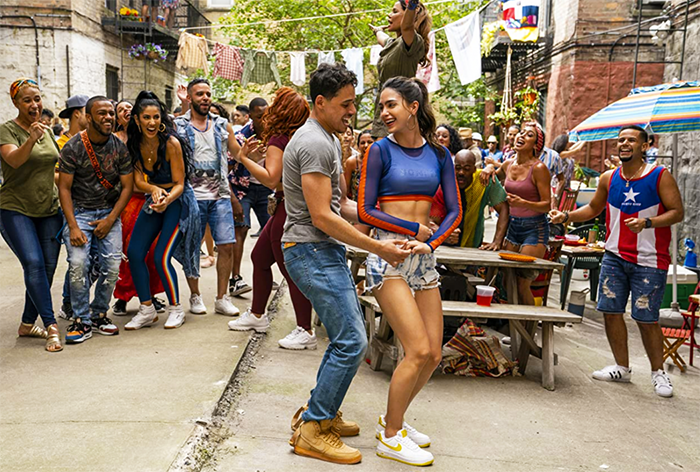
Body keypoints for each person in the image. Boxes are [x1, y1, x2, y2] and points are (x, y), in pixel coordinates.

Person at [284, 64, 410, 465]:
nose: (353, 111)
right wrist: (379, 247)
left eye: (354, 102)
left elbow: (342, 206)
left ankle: (320, 412)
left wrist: (400, 226)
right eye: (346, 104)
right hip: (311, 250)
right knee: (353, 341)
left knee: (345, 337)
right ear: (320, 102)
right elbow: (322, 216)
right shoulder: (315, 142)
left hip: (320, 250)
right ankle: (313, 430)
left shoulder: (326, 138)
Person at [358, 76, 460, 467]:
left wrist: (430, 244)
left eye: (392, 105)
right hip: (388, 254)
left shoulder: (439, 154)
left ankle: (394, 420)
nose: (384, 113)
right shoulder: (379, 150)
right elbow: (366, 210)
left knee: (433, 353)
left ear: (413, 107)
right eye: (382, 106)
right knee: (416, 349)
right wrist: (413, 229)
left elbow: (454, 212)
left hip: (423, 257)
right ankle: (390, 437)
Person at [550, 125, 683, 398]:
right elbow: (593, 208)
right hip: (613, 256)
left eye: (631, 140)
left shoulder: (660, 175)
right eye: (621, 139)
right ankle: (622, 367)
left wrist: (648, 222)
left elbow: (677, 212)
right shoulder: (608, 178)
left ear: (644, 146)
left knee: (646, 318)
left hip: (650, 260)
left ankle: (658, 372)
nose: (624, 143)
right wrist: (567, 216)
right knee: (610, 312)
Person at [226, 87, 317, 350]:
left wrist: (245, 158)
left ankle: (305, 329)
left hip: (286, 206)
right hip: (289, 205)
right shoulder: (299, 136)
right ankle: (257, 314)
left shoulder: (279, 138)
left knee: (289, 270)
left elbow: (271, 178)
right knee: (259, 257)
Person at [57, 96, 134, 344]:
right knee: (78, 264)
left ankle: (99, 313)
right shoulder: (73, 147)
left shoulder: (119, 147)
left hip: (108, 213)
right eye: (102, 113)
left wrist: (111, 219)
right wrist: (72, 226)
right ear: (89, 118)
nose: (108, 117)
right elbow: (64, 188)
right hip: (79, 213)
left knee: (111, 267)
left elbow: (127, 187)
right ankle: (81, 319)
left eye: (111, 113)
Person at [125, 91, 201, 330]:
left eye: (156, 117)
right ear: (137, 120)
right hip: (156, 199)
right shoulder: (135, 143)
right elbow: (139, 181)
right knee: (134, 252)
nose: (151, 122)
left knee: (161, 256)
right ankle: (147, 309)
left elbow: (180, 184)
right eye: (146, 117)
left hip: (178, 202)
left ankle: (176, 309)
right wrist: (154, 189)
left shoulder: (171, 143)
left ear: (161, 119)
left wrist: (165, 198)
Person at [0, 78, 63, 352]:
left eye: (37, 99)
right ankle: (51, 326)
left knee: (46, 269)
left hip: (49, 208)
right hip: (15, 208)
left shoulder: (46, 131)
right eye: (27, 100)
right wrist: (31, 139)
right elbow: (14, 160)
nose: (34, 105)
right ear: (16, 103)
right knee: (34, 264)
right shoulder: (6, 130)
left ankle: (27, 324)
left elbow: (54, 170)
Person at [174, 78, 240, 316]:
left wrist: (249, 155)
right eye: (199, 94)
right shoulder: (179, 125)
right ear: (190, 98)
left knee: (226, 245)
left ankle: (222, 299)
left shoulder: (222, 124)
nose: (205, 98)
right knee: (192, 247)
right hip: (191, 197)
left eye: (208, 94)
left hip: (219, 195)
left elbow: (237, 153)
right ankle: (195, 295)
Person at [111, 98, 167, 317]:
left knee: (152, 251)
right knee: (128, 252)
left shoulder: (149, 137)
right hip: (128, 200)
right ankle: (122, 297)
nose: (125, 110)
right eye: (120, 109)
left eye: (129, 107)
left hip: (151, 198)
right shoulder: (115, 139)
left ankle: (150, 295)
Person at [492, 122, 551, 305]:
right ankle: (511, 322)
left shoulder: (539, 168)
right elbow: (493, 177)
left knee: (521, 283)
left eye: (529, 135)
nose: (522, 136)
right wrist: (487, 169)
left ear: (536, 146)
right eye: (521, 133)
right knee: (506, 280)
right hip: (513, 227)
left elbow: (547, 205)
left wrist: (523, 203)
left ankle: (528, 323)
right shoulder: (508, 164)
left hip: (534, 229)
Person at [370, 0, 432, 139]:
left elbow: (407, 27)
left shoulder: (412, 43)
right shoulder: (392, 44)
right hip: (382, 114)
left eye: (395, 11)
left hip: (398, 115)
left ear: (408, 16)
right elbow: (382, 38)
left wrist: (412, 5)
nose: (389, 15)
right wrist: (377, 30)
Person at [229, 97, 271, 297]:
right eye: (260, 116)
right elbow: (228, 168)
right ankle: (235, 279)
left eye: (267, 115)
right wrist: (233, 199)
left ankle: (265, 276)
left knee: (272, 231)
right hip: (242, 189)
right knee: (241, 228)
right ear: (251, 116)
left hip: (265, 189)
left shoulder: (275, 135)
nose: (265, 120)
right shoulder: (241, 137)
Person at [431, 149, 509, 249]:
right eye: (458, 168)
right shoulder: (443, 183)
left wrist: (497, 241)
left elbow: (503, 208)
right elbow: (428, 220)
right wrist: (443, 235)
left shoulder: (484, 180)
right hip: (442, 247)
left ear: (474, 169)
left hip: (472, 246)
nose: (461, 172)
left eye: (467, 169)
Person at [344, 129, 374, 202]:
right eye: (362, 143)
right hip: (356, 205)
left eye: (370, 142)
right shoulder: (352, 162)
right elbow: (346, 190)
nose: (366, 145)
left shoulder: (383, 161)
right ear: (358, 146)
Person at [539, 144, 565, 209]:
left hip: (544, 200)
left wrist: (555, 197)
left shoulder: (553, 156)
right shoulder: (516, 155)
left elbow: (561, 179)